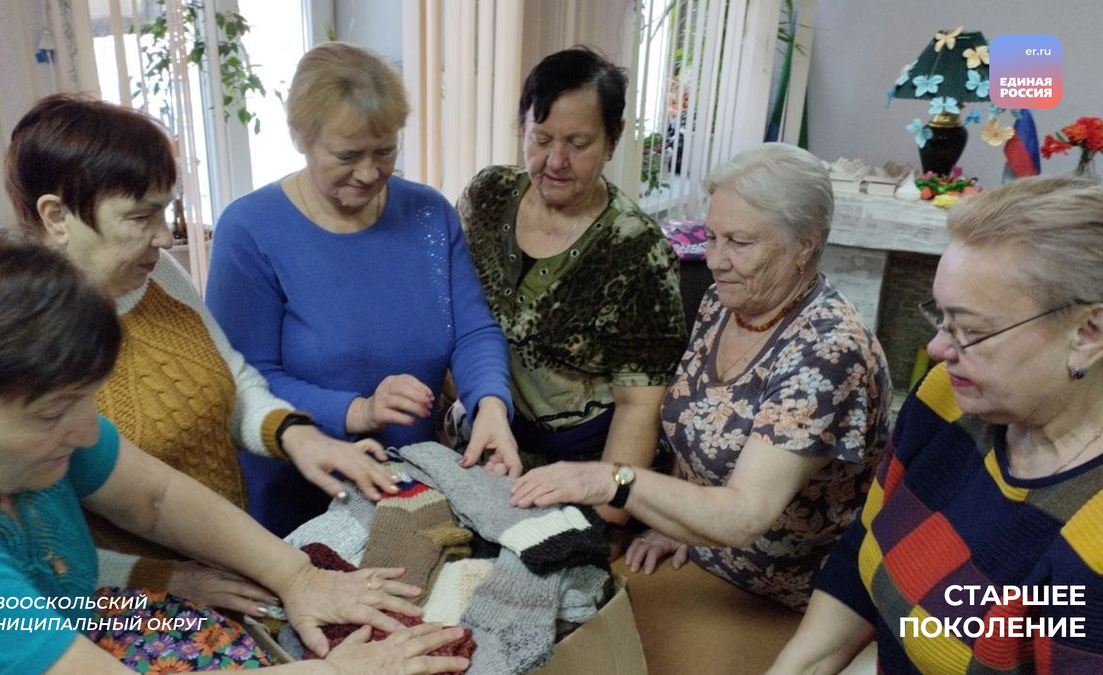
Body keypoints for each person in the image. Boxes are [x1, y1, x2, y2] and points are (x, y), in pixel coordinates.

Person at [0, 228, 469, 675]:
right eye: (51, 414)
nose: (87, 434)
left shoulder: (35, 442)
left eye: (88, 400)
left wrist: (298, 577)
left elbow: (155, 497)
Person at [5, 94, 399, 613]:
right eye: (141, 216)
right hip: (120, 607)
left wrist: (294, 434)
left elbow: (229, 385)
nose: (164, 237)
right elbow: (32, 554)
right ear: (57, 216)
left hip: (225, 567)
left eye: (165, 211)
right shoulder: (15, 346)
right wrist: (162, 578)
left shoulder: (159, 277)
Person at [510, 142, 891, 613]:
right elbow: (695, 426)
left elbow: (745, 516)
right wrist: (672, 524)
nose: (714, 260)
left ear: (805, 244)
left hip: (792, 601)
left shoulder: (829, 352)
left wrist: (613, 480)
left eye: (739, 242)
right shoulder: (724, 302)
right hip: (703, 557)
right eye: (711, 237)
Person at [769, 175, 1103, 674]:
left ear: (1088, 332)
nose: (938, 349)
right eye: (943, 319)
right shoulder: (947, 400)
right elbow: (866, 546)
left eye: (971, 330)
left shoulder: (1091, 539)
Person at [206, 42, 518, 535]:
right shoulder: (250, 230)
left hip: (411, 486)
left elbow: (473, 331)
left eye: (385, 151)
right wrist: (358, 411)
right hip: (296, 501)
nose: (370, 173)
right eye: (347, 155)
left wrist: (491, 407)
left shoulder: (428, 214)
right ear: (300, 137)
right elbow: (244, 378)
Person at [454, 48, 687, 517]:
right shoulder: (489, 196)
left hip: (581, 467)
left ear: (613, 138)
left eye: (578, 144)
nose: (555, 161)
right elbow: (455, 309)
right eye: (540, 139)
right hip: (485, 436)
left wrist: (609, 514)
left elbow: (639, 406)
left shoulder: (636, 250)